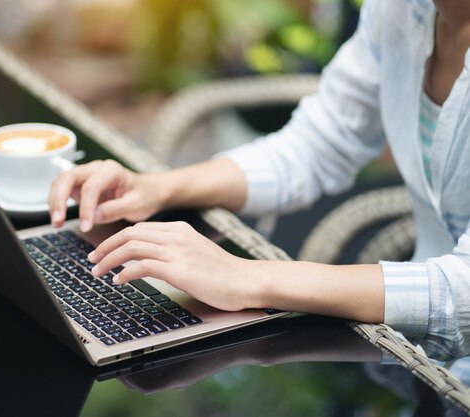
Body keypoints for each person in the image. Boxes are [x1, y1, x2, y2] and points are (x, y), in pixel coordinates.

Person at [49, 0, 470, 358]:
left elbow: (460, 296)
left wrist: (249, 278)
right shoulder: (399, 9)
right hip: (410, 350)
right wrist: (160, 186)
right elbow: (318, 143)